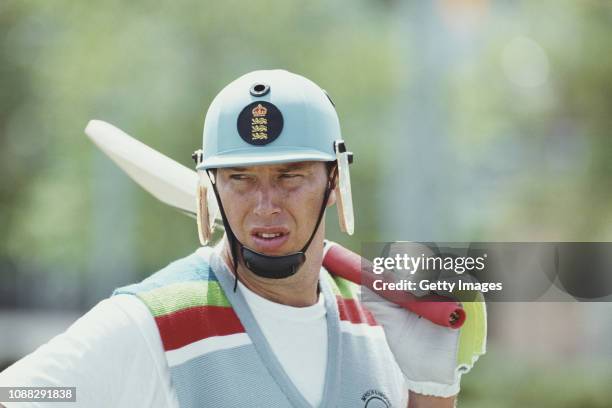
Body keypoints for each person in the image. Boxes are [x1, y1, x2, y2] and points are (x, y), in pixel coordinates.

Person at [0, 70, 483, 407]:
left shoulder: (378, 323)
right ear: (210, 186)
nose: (265, 206)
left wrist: (431, 390)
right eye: (240, 179)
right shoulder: (157, 322)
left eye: (290, 177)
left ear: (335, 182)